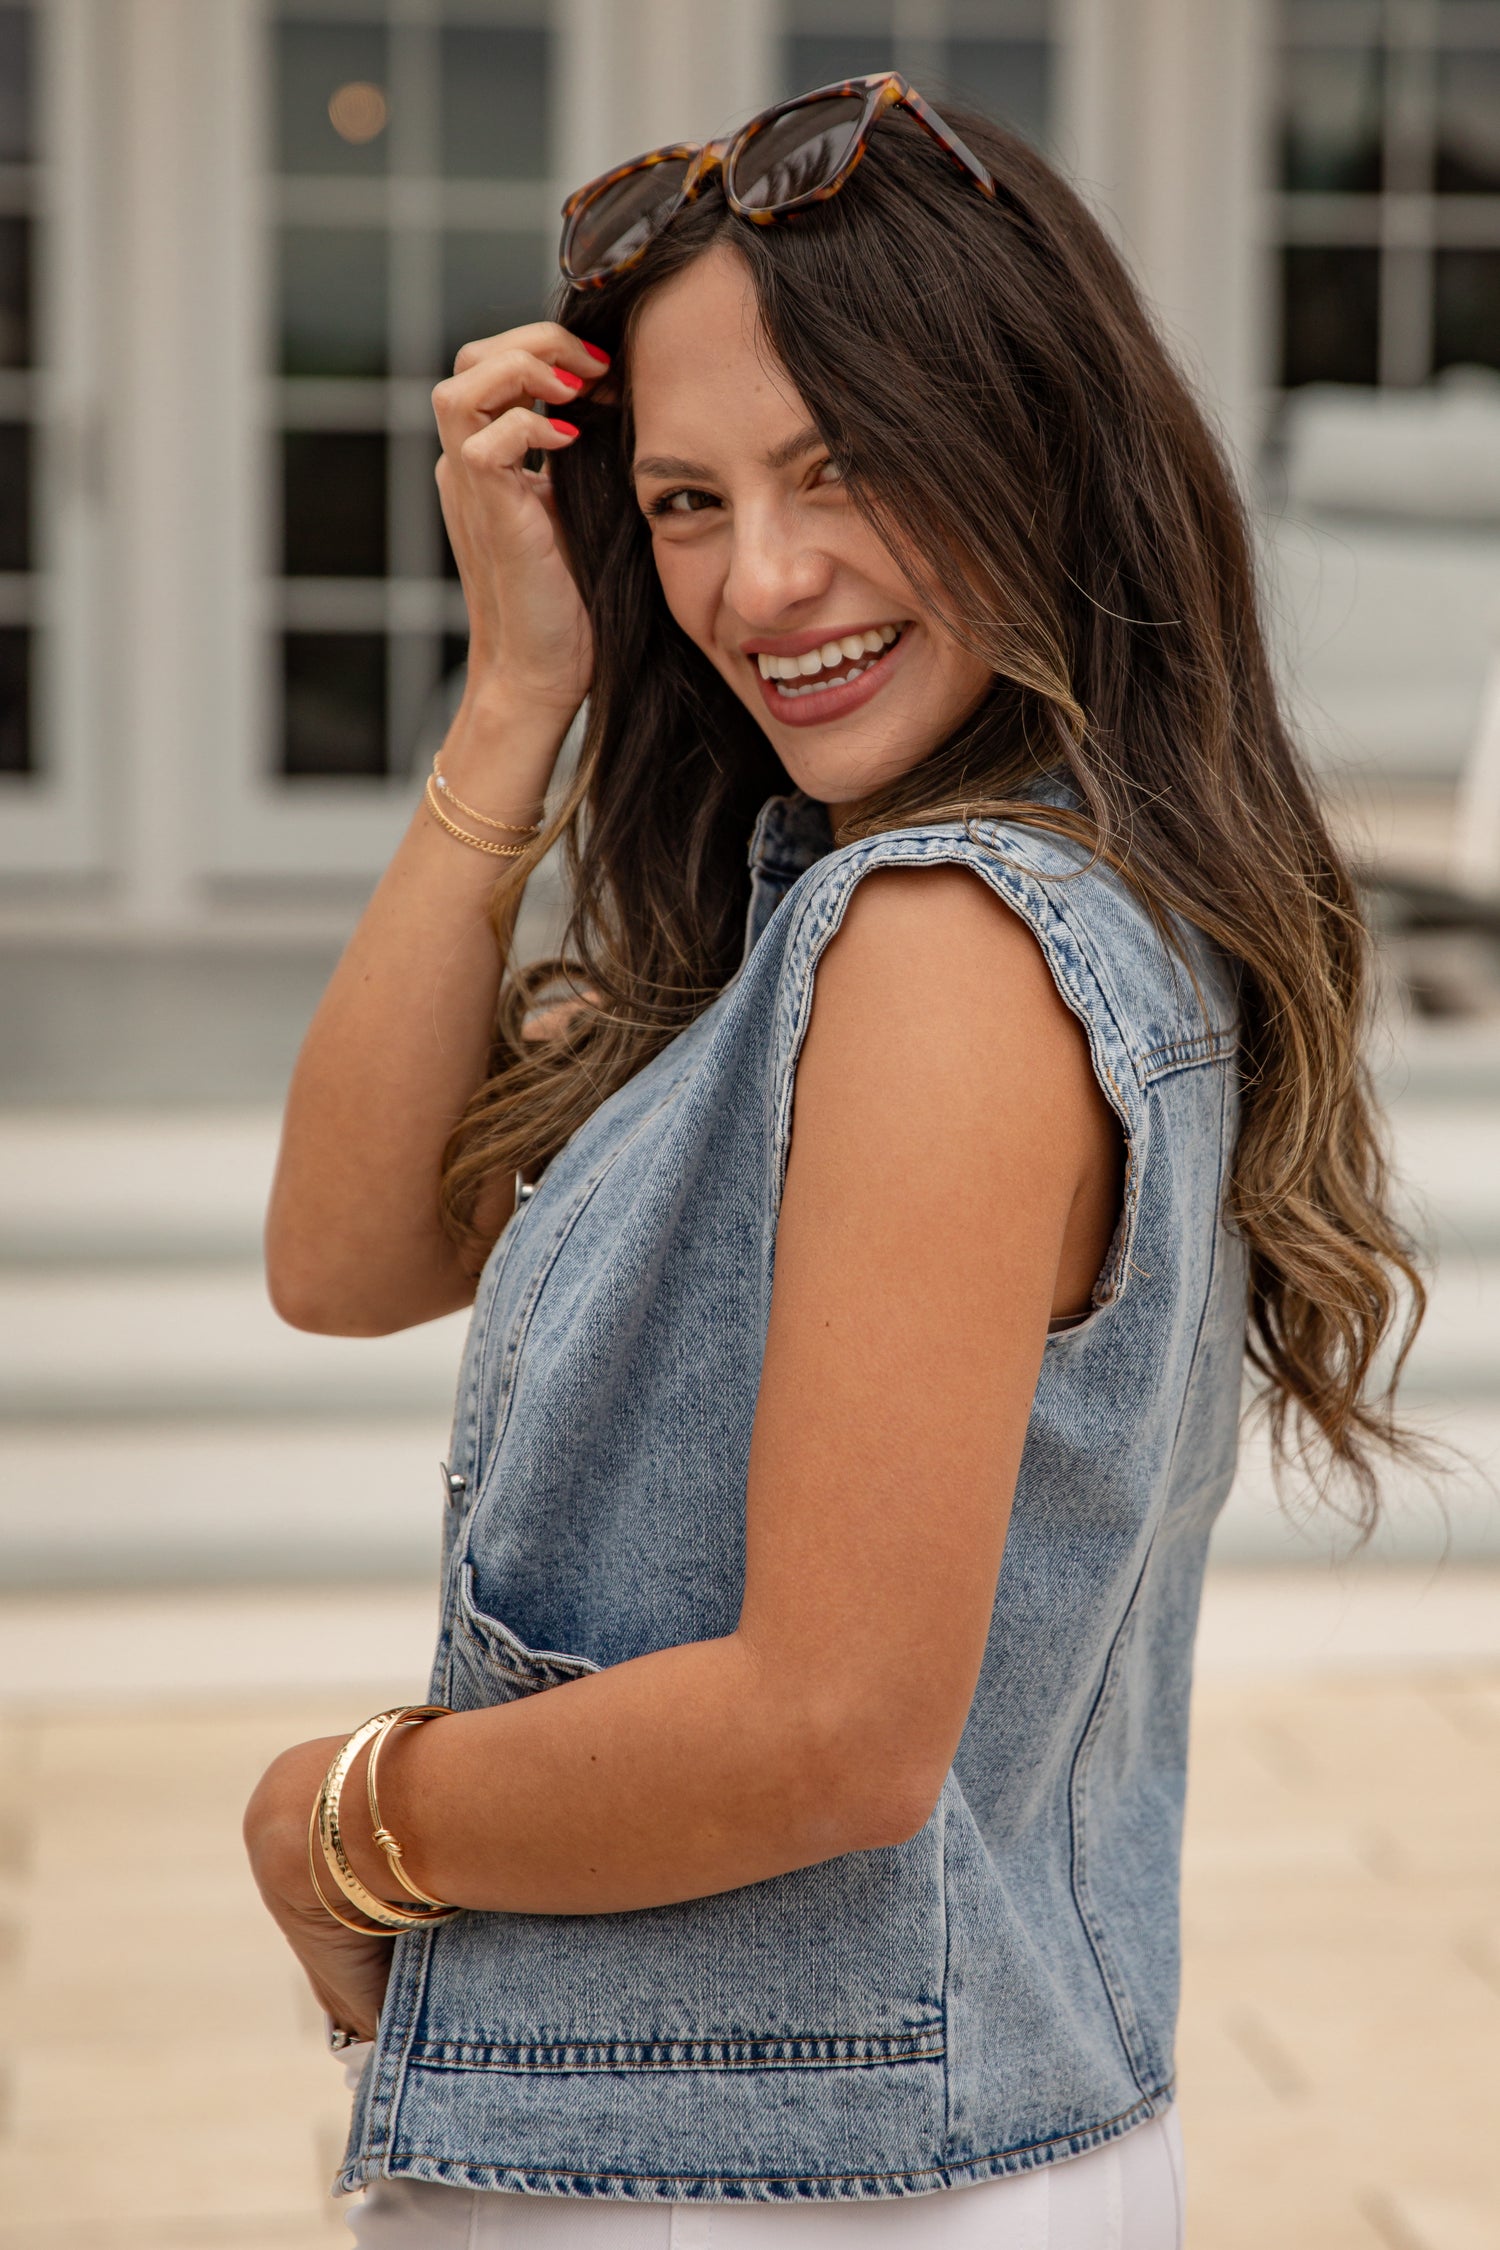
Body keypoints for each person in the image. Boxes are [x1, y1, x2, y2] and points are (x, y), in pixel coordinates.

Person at [243, 76, 1423, 2249]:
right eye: (683, 502)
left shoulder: (948, 939)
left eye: (843, 466)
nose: (762, 578)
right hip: (849, 2157)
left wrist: (336, 1817)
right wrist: (520, 694)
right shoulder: (884, 909)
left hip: (769, 2185)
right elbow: (343, 1247)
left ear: (1031, 447)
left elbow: (830, 1731)